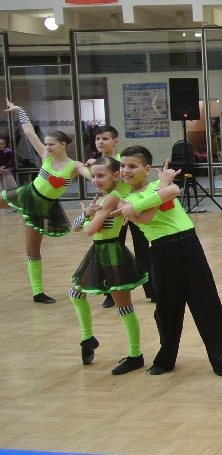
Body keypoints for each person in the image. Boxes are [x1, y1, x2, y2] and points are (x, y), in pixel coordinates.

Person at [116, 146, 222, 379]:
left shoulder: (152, 189)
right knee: (167, 309)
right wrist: (157, 191)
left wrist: (156, 191)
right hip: (162, 251)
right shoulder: (123, 200)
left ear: (147, 169)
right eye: (123, 166)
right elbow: (146, 217)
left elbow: (174, 190)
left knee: (207, 303)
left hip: (189, 244)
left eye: (132, 166)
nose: (126, 170)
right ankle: (165, 360)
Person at [68, 157, 158, 375]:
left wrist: (90, 216)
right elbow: (75, 227)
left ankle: (135, 354)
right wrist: (87, 214)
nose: (96, 180)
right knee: (76, 293)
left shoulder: (114, 197)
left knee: (124, 307)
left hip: (113, 253)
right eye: (93, 176)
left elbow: (89, 230)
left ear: (115, 176)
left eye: (101, 176)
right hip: (98, 252)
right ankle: (88, 339)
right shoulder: (104, 198)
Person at [2, 99, 92, 303]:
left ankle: (37, 292)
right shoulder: (45, 155)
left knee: (33, 250)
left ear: (63, 145)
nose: (48, 147)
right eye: (47, 144)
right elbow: (29, 132)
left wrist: (100, 168)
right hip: (26, 194)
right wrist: (20, 110)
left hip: (42, 206)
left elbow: (92, 177)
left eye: (51, 144)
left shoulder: (75, 165)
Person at [88, 125, 154, 306]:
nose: (100, 142)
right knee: (113, 250)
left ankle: (152, 290)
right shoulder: (97, 164)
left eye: (105, 139)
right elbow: (97, 181)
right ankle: (111, 292)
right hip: (114, 211)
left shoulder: (122, 161)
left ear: (115, 141)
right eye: (98, 139)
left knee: (142, 248)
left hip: (132, 205)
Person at [0, 135, 16, 211]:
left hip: (6, 172)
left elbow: (13, 162)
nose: (1, 145)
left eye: (2, 144)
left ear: (5, 144)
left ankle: (11, 206)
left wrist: (5, 167)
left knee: (9, 189)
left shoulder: (7, 151)